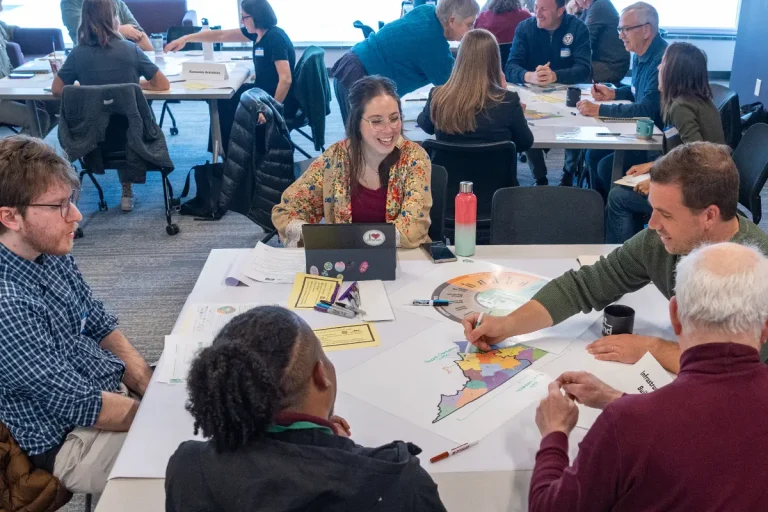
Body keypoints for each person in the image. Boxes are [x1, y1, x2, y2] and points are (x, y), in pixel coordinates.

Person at [462, 142, 768, 373]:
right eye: (652, 209)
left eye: (665, 214)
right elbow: (583, 286)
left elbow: (744, 369)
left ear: (709, 216)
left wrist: (655, 348)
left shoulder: (758, 272)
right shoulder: (659, 242)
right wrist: (509, 324)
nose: (651, 225)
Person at [529, 242, 768, 511]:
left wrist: (554, 434)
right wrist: (616, 398)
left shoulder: (628, 424)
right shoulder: (633, 418)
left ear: (675, 316)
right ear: (765, 328)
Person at [165, 306, 447, 512]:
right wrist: (333, 451)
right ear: (320, 375)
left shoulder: (188, 469)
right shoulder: (398, 480)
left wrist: (320, 444)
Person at [0, 136, 153, 494]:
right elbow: (77, 403)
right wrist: (162, 414)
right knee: (208, 461)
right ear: (10, 216)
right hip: (69, 439)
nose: (77, 215)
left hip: (106, 392)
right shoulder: (7, 303)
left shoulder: (50, 251)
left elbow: (99, 322)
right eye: (59, 205)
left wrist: (148, 384)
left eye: (72, 200)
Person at [272, 76, 432, 249]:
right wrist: (316, 236)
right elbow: (286, 211)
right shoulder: (334, 159)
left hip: (403, 262)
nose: (388, 129)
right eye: (376, 121)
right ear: (356, 123)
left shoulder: (414, 158)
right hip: (345, 264)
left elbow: (412, 229)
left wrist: (346, 238)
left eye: (394, 118)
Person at [52, 0, 169, 213]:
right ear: (114, 19)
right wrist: (133, 85)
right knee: (124, 122)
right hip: (135, 137)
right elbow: (162, 84)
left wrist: (85, 90)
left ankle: (125, 189)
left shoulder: (78, 53)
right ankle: (127, 190)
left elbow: (58, 89)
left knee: (111, 121)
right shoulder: (130, 49)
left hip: (93, 140)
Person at [605, 42, 725, 243]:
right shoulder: (696, 101)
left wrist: (656, 183)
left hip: (702, 190)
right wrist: (654, 166)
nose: (658, 68)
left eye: (663, 63)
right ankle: (644, 248)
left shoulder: (681, 107)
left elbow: (698, 158)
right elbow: (683, 150)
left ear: (674, 72)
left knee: (618, 198)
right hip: (708, 182)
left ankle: (628, 262)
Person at [165, 0, 297, 156]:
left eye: (244, 17)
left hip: (275, 101)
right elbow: (221, 35)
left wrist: (270, 110)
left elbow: (286, 79)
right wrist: (185, 39)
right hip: (262, 93)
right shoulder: (258, 34)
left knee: (227, 103)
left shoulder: (275, 38)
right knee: (224, 99)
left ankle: (229, 154)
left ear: (257, 17)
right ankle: (223, 151)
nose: (242, 21)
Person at [332, 0, 480, 125]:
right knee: (365, 145)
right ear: (452, 21)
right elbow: (454, 86)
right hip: (358, 78)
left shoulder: (427, 11)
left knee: (368, 143)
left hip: (351, 65)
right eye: (469, 24)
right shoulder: (432, 43)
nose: (472, 29)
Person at [576, 2, 668, 198]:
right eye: (620, 29)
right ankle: (600, 209)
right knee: (592, 154)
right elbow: (639, 92)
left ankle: (618, 212)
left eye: (625, 29)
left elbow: (646, 109)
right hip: (642, 134)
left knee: (605, 166)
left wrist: (599, 110)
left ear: (646, 30)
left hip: (656, 145)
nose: (620, 35)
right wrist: (615, 94)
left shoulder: (662, 61)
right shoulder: (641, 53)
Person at [417, 28, 533, 172]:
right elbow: (525, 143)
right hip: (497, 190)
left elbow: (425, 126)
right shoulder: (508, 101)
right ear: (495, 61)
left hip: (447, 189)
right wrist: (511, 103)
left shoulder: (438, 96)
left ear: (459, 58)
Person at [505, 0, 590, 185]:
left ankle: (569, 172)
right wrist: (528, 75)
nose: (538, 13)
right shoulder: (525, 28)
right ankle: (539, 177)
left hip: (568, 94)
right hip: (531, 93)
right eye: (536, 7)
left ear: (560, 11)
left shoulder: (578, 28)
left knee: (576, 125)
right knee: (523, 122)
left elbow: (584, 69)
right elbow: (510, 66)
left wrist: (555, 76)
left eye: (544, 9)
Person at [558, 0, 629, 187]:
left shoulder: (600, 7)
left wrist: (572, 15)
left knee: (571, 74)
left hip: (610, 66)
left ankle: (569, 167)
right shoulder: (595, 7)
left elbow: (582, 38)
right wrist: (575, 13)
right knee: (569, 70)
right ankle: (570, 164)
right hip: (603, 62)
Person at [0, 0, 57, 135]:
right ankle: (11, 155)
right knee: (39, 118)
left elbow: (12, 30)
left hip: (7, 90)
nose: (2, 8)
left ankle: (28, 151)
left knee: (52, 107)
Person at [61, 0, 152, 50]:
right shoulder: (69, 3)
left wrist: (151, 53)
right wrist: (121, 30)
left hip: (123, 58)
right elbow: (85, 28)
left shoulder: (118, 3)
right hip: (88, 59)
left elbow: (140, 35)